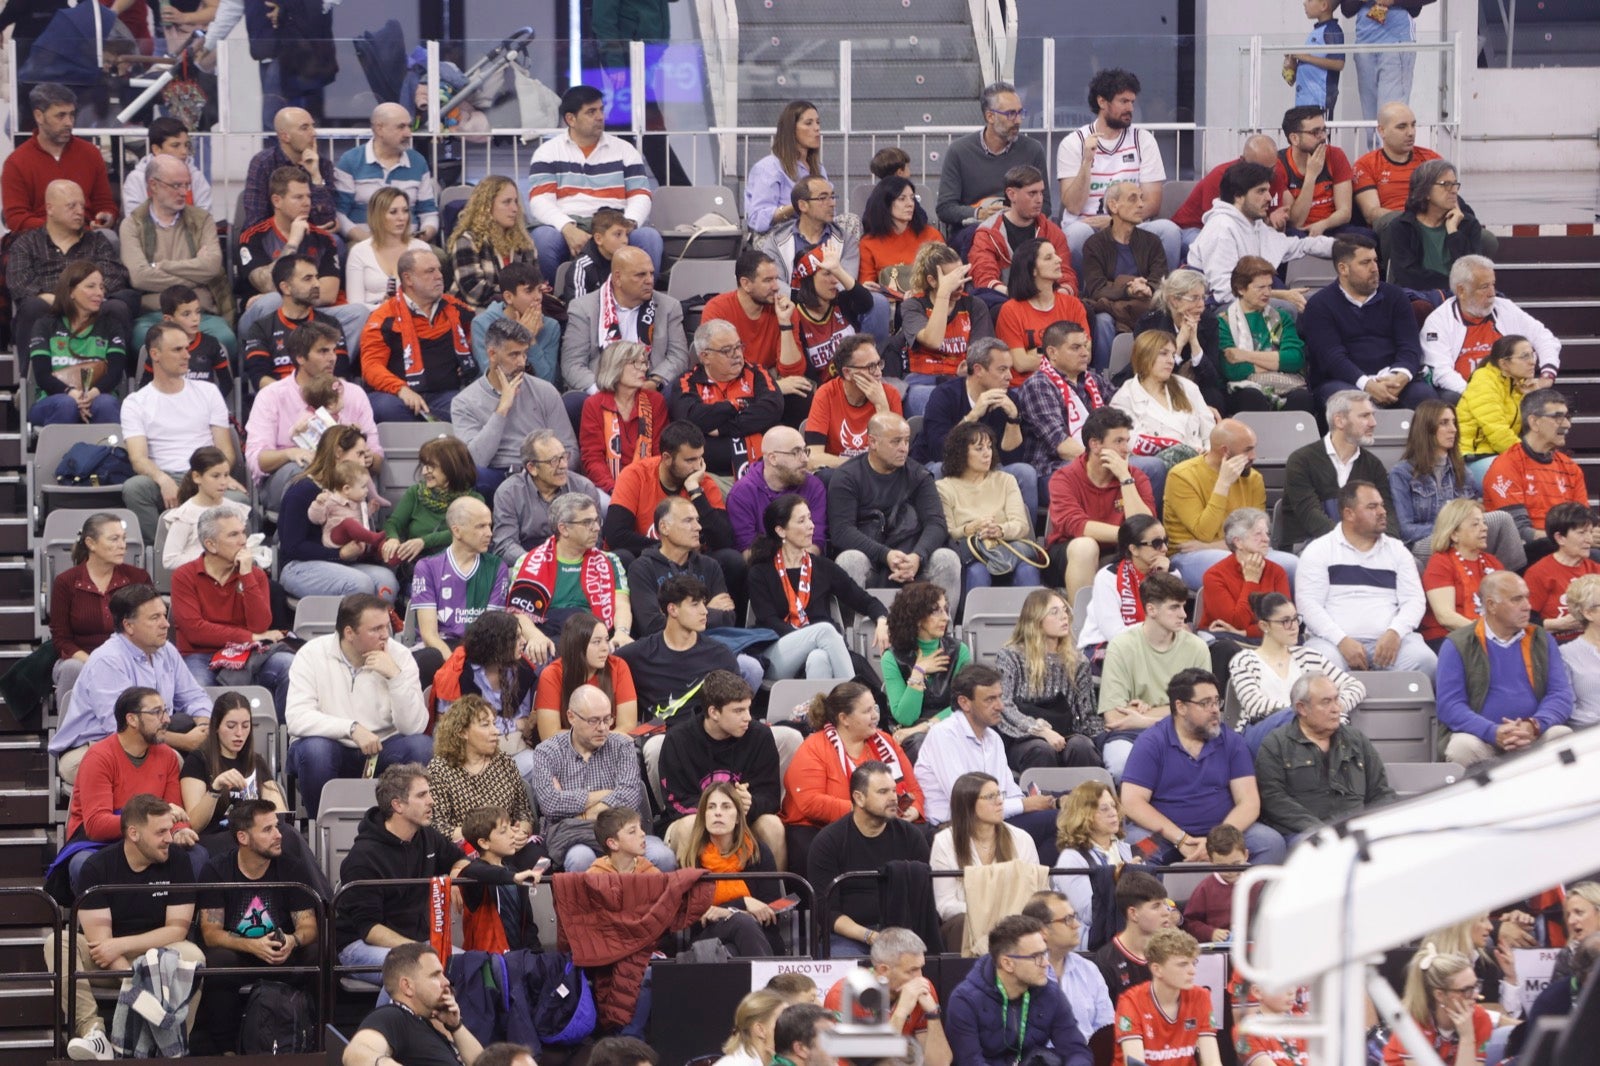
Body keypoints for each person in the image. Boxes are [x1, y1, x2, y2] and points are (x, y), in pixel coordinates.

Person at [46, 793, 204, 1062]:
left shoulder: (177, 860)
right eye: (161, 832)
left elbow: (176, 930)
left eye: (170, 829)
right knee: (57, 942)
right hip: (109, 963)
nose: (170, 837)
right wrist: (134, 975)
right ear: (134, 833)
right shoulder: (97, 867)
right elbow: (100, 947)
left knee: (194, 957)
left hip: (158, 957)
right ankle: (93, 1032)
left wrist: (123, 948)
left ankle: (173, 1046)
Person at [1119, 667, 1287, 864]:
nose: (1215, 709)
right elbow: (1132, 802)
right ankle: (1160, 896)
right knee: (1137, 849)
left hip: (1223, 834)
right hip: (1165, 837)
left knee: (1270, 843)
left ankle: (1236, 895)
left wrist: (1216, 842)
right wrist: (1181, 839)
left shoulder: (1232, 742)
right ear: (1181, 707)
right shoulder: (1151, 742)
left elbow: (1249, 802)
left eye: (1217, 701)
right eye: (1205, 703)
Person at [284, 594, 432, 817]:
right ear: (349, 633)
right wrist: (351, 728)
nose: (386, 635)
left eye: (387, 626)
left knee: (421, 746)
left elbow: (413, 727)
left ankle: (402, 826)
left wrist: (395, 678)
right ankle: (322, 827)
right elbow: (296, 717)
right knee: (315, 750)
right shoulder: (311, 654)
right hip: (331, 745)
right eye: (376, 629)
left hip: (382, 749)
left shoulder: (399, 656)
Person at [194, 798, 318, 1055]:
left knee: (317, 951)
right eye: (267, 830)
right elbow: (211, 932)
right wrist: (252, 945)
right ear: (243, 837)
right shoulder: (216, 870)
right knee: (217, 959)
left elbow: (308, 926)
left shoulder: (292, 867)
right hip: (240, 956)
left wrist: (293, 940)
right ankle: (225, 1050)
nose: (278, 835)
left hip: (280, 954)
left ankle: (312, 1043)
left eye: (277, 827)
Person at [52, 585, 214, 774]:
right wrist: (185, 742)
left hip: (148, 741)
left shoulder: (165, 650)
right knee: (174, 762)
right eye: (155, 618)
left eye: (164, 615)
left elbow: (194, 696)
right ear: (129, 626)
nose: (166, 624)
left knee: (214, 755)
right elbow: (125, 728)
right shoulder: (108, 660)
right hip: (92, 747)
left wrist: (204, 726)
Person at [915, 665, 1061, 858]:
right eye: (990, 699)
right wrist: (1026, 805)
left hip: (994, 821)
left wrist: (1041, 802)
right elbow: (967, 803)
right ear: (965, 702)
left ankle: (1031, 883)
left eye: (1000, 697)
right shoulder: (944, 735)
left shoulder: (993, 738)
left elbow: (1010, 792)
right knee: (1059, 822)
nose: (1000, 706)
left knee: (1069, 821)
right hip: (958, 828)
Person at [781, 684, 925, 876]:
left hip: (883, 824)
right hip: (820, 829)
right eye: (867, 711)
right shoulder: (814, 747)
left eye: (875, 708)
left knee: (921, 837)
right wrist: (864, 812)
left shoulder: (886, 741)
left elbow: (914, 789)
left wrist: (914, 809)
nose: (875, 715)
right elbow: (810, 802)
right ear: (844, 718)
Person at [528, 684, 675, 872]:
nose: (603, 728)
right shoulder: (547, 752)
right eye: (594, 721)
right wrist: (605, 795)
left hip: (624, 834)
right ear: (571, 717)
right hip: (575, 838)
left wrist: (581, 813)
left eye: (607, 719)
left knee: (663, 857)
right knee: (580, 859)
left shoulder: (622, 745)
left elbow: (629, 798)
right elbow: (550, 804)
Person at [119, 321, 243, 543]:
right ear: (155, 354)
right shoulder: (135, 402)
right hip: (163, 476)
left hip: (203, 474)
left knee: (237, 500)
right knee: (134, 488)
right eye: (178, 350)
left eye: (187, 348)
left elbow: (225, 449)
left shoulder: (209, 392)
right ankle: (163, 551)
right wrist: (162, 479)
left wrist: (219, 476)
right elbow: (138, 458)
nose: (187, 355)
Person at [1435, 571, 1575, 767]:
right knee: (1462, 747)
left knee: (1562, 735)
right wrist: (1493, 732)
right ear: (1491, 605)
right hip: (1481, 739)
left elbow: (1560, 694)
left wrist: (1533, 725)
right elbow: (1450, 706)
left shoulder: (1542, 639)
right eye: (1517, 599)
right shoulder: (1458, 643)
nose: (1527, 606)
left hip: (1534, 736)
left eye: (1527, 597)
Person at [1298, 480, 1437, 676]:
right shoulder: (1318, 550)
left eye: (1381, 505)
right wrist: (1342, 641)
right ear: (1349, 513)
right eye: (1372, 507)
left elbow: (1414, 601)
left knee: (1426, 662)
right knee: (1318, 665)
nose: (1382, 511)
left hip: (1391, 642)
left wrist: (1395, 633)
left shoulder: (1397, 550)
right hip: (1332, 644)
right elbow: (1309, 606)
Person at [827, 413, 960, 608]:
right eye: (896, 441)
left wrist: (918, 556)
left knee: (947, 559)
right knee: (849, 560)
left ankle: (942, 632)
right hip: (871, 559)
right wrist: (886, 555)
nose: (904, 448)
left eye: (906, 441)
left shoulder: (919, 475)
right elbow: (842, 531)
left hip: (912, 558)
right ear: (872, 442)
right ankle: (852, 635)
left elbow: (936, 523)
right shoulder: (847, 477)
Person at [1057, 68, 1181, 274]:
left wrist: (1116, 221)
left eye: (1132, 102)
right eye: (1123, 101)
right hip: (1088, 226)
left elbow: (1153, 203)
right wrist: (1087, 161)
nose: (1130, 108)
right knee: (1076, 235)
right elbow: (1073, 205)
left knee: (1170, 231)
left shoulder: (1143, 140)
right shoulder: (1073, 143)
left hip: (1132, 225)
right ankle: (1080, 300)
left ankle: (1161, 298)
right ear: (1102, 102)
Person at [748, 493, 885, 679]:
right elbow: (770, 621)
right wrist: (812, 637)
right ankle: (857, 694)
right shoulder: (760, 572)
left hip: (821, 649)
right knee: (825, 630)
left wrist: (883, 620)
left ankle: (817, 707)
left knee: (818, 657)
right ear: (781, 531)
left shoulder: (823, 567)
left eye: (810, 519)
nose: (811, 526)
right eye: (802, 521)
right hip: (778, 654)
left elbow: (864, 600)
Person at [528, 84, 662, 272]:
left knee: (649, 237)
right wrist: (566, 227)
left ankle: (640, 299)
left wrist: (626, 225)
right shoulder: (547, 153)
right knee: (543, 238)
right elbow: (540, 201)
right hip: (570, 223)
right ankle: (554, 300)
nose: (600, 116)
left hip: (617, 222)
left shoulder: (625, 150)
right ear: (570, 119)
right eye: (591, 112)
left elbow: (641, 195)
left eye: (601, 109)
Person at [235, 166, 367, 355]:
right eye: (298, 197)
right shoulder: (253, 236)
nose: (307, 203)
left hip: (310, 315)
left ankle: (328, 374)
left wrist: (288, 296)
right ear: (277, 201)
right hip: (263, 320)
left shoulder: (323, 238)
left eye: (308, 197)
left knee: (358, 313)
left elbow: (328, 293)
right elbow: (265, 283)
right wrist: (293, 242)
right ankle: (284, 376)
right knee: (271, 301)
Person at [807, 761, 932, 956]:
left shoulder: (911, 837)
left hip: (903, 934)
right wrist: (871, 936)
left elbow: (925, 896)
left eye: (893, 790)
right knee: (846, 963)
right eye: (883, 792)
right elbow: (827, 913)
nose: (893, 798)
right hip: (850, 938)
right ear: (859, 798)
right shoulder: (828, 842)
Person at [660, 670, 785, 860]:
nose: (748, 718)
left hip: (744, 820)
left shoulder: (760, 737)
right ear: (714, 712)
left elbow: (771, 796)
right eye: (738, 711)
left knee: (772, 825)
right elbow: (675, 803)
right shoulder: (678, 740)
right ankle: (692, 889)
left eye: (748, 709)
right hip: (695, 821)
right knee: (687, 826)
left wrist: (750, 803)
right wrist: (720, 808)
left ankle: (775, 890)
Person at [1097, 573, 1212, 777]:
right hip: (1130, 735)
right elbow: (1114, 718)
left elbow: (1202, 711)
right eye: (1174, 607)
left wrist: (1143, 718)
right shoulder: (1121, 646)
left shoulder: (1197, 647)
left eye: (1184, 606)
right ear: (1151, 609)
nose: (1184, 615)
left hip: (1184, 733)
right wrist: (1177, 710)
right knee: (1122, 763)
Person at [1255, 672, 1397, 838]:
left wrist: (1374, 825)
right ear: (1302, 708)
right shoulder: (1276, 744)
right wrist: (1319, 830)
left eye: (1336, 699)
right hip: (1304, 834)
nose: (1336, 709)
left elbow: (1381, 793)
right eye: (1326, 702)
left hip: (1356, 832)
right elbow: (1273, 799)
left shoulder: (1356, 740)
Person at [170, 507, 294, 697]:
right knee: (198, 688)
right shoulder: (184, 576)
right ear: (210, 544)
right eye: (233, 535)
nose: (243, 540)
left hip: (248, 653)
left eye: (243, 532)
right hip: (201, 655)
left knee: (288, 666)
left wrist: (246, 575)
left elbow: (260, 625)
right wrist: (251, 637)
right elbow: (195, 631)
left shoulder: (255, 575)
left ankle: (281, 727)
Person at [1301, 234, 1436, 407]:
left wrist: (1400, 376)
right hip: (1344, 381)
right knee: (1349, 403)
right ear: (1343, 269)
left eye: (1375, 260)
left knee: (1424, 396)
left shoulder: (1396, 297)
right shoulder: (1320, 305)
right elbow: (1332, 358)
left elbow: (1410, 347)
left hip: (1391, 378)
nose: (1374, 268)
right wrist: (1367, 384)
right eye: (1365, 263)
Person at [121, 154, 236, 355]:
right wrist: (194, 273)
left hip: (199, 314)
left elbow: (211, 267)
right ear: (153, 185)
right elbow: (139, 277)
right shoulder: (132, 225)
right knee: (142, 339)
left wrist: (161, 266)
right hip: (155, 314)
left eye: (187, 185)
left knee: (225, 339)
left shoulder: (202, 220)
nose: (184, 192)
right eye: (176, 186)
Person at [1389, 398, 1524, 569]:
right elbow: (1405, 530)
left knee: (1501, 520)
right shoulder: (1401, 473)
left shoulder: (1462, 471)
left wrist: (1463, 528)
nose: (1453, 429)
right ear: (1426, 429)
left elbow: (1478, 512)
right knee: (1493, 522)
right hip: (1426, 543)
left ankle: (1510, 584)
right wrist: (1453, 529)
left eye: (1453, 423)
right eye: (1444, 423)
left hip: (1462, 535)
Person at [945, 913, 1093, 1066]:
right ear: (1008, 964)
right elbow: (969, 1062)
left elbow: (1076, 1050)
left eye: (1045, 953)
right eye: (1036, 956)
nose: (1046, 963)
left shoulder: (1050, 993)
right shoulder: (965, 1001)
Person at [918, 336, 1039, 520]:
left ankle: (1023, 537)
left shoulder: (1009, 400)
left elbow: (1011, 458)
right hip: (948, 467)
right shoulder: (944, 395)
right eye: (1002, 369)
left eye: (1010, 369)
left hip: (987, 469)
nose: (1010, 376)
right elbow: (939, 451)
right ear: (978, 370)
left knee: (1025, 473)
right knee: (938, 469)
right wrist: (973, 415)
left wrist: (1014, 419)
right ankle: (941, 534)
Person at [504, 491, 631, 666]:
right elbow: (518, 611)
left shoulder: (609, 561)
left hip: (594, 633)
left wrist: (622, 632)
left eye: (596, 520)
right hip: (548, 634)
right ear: (563, 528)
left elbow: (621, 604)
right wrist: (534, 636)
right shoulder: (529, 562)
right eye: (587, 522)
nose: (596, 528)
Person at [452, 317, 577, 494]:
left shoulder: (545, 391)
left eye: (524, 353)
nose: (522, 362)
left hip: (543, 471)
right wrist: (502, 409)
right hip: (498, 474)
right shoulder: (464, 401)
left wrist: (546, 472)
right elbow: (475, 460)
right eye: (514, 355)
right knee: (475, 477)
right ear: (492, 354)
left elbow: (570, 448)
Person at [1229, 592, 1366, 753]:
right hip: (1261, 731)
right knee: (1297, 721)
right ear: (1264, 626)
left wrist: (1335, 707)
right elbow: (1255, 706)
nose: (1294, 627)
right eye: (1285, 621)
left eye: (1295, 619)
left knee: (1345, 732)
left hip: (1307, 731)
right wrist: (1308, 714)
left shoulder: (1308, 656)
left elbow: (1356, 686)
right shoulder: (1244, 660)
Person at [1163, 420, 1292, 590]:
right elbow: (1204, 533)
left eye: (1254, 447)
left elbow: (1257, 536)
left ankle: (1286, 616)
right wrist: (1223, 483)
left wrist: (1210, 546)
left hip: (1244, 550)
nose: (1254, 456)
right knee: (1233, 567)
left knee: (1293, 565)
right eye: (1247, 450)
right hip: (1190, 556)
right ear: (1224, 451)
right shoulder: (1182, 476)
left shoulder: (1253, 478)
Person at [277, 428, 400, 601]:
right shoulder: (301, 490)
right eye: (359, 454)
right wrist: (339, 554)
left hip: (341, 564)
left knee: (387, 581)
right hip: (299, 566)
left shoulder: (352, 489)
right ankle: (348, 628)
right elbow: (293, 546)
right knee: (361, 584)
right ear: (338, 453)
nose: (364, 461)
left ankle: (378, 627)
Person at [1187, 162, 1334, 307]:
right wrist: (1280, 295)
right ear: (1238, 196)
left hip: (1250, 300)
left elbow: (1299, 245)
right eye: (1261, 191)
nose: (1269, 198)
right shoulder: (1221, 228)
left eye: (1268, 191)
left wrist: (1343, 247)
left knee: (1314, 306)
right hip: (1218, 310)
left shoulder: (1256, 225)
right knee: (1288, 308)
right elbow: (1225, 293)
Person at [1048, 407, 1156, 603]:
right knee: (1085, 546)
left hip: (1119, 550)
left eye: (1126, 440)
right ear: (1095, 444)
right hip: (1069, 551)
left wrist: (1125, 479)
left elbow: (1145, 527)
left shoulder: (1136, 477)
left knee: (1147, 550)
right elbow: (1076, 526)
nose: (1126, 449)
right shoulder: (1064, 478)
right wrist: (1128, 536)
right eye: (1118, 441)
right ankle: (1083, 625)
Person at [9, 179, 131, 351]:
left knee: (117, 307)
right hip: (47, 308)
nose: (80, 212)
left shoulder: (97, 241)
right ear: (50, 208)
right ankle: (31, 375)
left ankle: (115, 374)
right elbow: (20, 284)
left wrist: (84, 300)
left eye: (82, 206)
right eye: (71, 206)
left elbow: (114, 276)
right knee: (31, 307)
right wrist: (64, 301)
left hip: (93, 308)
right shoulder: (27, 243)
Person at [359, 249, 478, 424]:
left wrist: (469, 358)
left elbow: (478, 331)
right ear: (408, 279)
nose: (439, 276)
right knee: (383, 408)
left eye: (439, 269)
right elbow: (371, 367)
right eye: (430, 271)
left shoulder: (455, 308)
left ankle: (432, 425)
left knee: (467, 408)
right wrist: (401, 389)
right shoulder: (383, 317)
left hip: (446, 396)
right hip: (398, 399)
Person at [935, 81, 1052, 255]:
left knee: (1050, 238)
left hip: (1021, 226)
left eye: (1020, 113)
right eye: (1011, 114)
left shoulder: (1032, 150)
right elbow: (945, 208)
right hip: (974, 228)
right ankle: (984, 283)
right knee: (979, 237)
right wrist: (979, 213)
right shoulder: (959, 151)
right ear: (990, 116)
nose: (1018, 120)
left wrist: (1015, 216)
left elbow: (1046, 205)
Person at [48, 513, 151, 711]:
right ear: (91, 543)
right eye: (114, 539)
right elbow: (61, 639)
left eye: (123, 538)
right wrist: (95, 662)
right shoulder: (66, 582)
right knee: (71, 668)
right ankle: (70, 737)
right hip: (81, 658)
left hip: (127, 657)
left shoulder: (138, 578)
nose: (122, 545)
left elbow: (148, 627)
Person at [670, 781, 785, 958]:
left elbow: (771, 915)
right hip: (708, 936)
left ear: (738, 817)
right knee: (742, 922)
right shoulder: (691, 859)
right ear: (704, 815)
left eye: (726, 807)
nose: (718, 812)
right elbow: (696, 920)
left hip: (758, 937)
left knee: (731, 952)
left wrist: (727, 911)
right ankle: (768, 982)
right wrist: (744, 905)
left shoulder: (758, 853)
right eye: (711, 807)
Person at [1420, 255, 1560, 400]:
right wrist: (1478, 394)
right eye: (1484, 287)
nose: (1492, 293)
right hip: (1466, 392)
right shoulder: (1438, 321)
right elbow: (1441, 371)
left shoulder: (1504, 307)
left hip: (1511, 389)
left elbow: (1545, 338)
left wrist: (1547, 376)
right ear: (1461, 291)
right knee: (1450, 398)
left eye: (1493, 284)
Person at [424, 696, 541, 862]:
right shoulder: (439, 769)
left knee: (537, 859)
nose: (496, 731)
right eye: (486, 725)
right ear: (462, 732)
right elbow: (438, 827)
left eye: (494, 723)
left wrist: (522, 831)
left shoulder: (504, 762)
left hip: (509, 846)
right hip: (466, 852)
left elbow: (523, 812)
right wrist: (490, 837)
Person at [996, 589, 1102, 771]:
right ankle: (1045, 800)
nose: (1064, 617)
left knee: (1082, 747)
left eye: (1065, 610)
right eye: (1054, 612)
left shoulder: (1078, 662)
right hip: (1023, 738)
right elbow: (1003, 705)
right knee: (1041, 750)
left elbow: (1085, 716)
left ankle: (1084, 799)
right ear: (1036, 620)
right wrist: (1042, 731)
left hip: (1067, 734)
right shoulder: (1010, 656)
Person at [560, 246, 689, 394]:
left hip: (650, 390)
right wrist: (601, 392)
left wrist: (654, 382)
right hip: (600, 392)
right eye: (640, 275)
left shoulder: (669, 307)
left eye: (651, 274)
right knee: (573, 401)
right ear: (618, 278)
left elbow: (678, 356)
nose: (650, 280)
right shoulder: (583, 308)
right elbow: (572, 364)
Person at [1109, 331, 1217, 507]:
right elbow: (1132, 443)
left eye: (1173, 354)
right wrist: (1182, 450)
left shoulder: (1187, 388)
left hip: (1202, 464)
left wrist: (1209, 451)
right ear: (1144, 356)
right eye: (1163, 353)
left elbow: (1210, 431)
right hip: (1160, 471)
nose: (1170, 360)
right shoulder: (1124, 398)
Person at [1281, 389, 1400, 548]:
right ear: (1340, 421)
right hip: (1310, 546)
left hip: (1364, 546)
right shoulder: (1301, 461)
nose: (1373, 423)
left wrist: (1384, 545)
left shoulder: (1374, 465)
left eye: (1372, 415)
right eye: (1364, 416)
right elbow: (1312, 518)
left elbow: (1388, 515)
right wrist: (1353, 545)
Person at [670, 319, 786, 482]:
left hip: (767, 470)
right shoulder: (687, 382)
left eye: (738, 346)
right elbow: (693, 418)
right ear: (705, 357)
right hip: (713, 477)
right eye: (727, 350)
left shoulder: (756, 372)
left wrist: (724, 428)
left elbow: (772, 408)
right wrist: (738, 405)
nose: (737, 354)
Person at [929, 772, 1042, 935]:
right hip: (968, 925)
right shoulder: (945, 842)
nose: (999, 802)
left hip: (1016, 925)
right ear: (968, 804)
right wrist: (988, 915)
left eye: (999, 794)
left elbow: (1037, 893)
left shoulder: (1022, 839)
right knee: (961, 924)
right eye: (990, 797)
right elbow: (945, 904)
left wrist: (1006, 917)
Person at [823, 928, 953, 1066]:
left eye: (921, 968)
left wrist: (933, 1014)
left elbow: (940, 1063)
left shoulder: (922, 987)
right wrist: (901, 1012)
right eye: (912, 970)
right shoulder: (845, 995)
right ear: (883, 970)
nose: (920, 977)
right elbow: (871, 1063)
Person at [936, 422, 1040, 592]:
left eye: (989, 447)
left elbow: (1021, 525)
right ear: (961, 453)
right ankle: (971, 619)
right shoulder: (943, 487)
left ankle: (1037, 618)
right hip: (973, 553)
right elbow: (948, 532)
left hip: (1007, 548)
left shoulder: (1006, 480)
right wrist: (972, 528)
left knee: (1027, 570)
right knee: (978, 572)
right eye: (979, 449)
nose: (987, 454)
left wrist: (999, 530)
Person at [342, 942, 484, 1066]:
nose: (446, 982)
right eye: (435, 975)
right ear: (407, 986)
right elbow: (356, 1054)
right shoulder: (392, 1016)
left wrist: (456, 1026)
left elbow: (484, 1063)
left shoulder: (427, 1024)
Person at [1483, 389, 1590, 551]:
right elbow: (1519, 532)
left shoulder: (1571, 468)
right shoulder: (1506, 465)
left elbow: (1584, 521)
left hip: (1565, 546)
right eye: (1558, 417)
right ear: (1534, 422)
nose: (1568, 425)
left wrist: (1590, 533)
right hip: (1526, 552)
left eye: (1567, 417)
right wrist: (1570, 540)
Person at [26, 262, 129, 428]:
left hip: (99, 396)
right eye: (91, 286)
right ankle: (57, 454)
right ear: (70, 291)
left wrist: (91, 395)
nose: (99, 293)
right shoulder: (45, 325)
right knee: (66, 405)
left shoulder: (111, 326)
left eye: (102, 287)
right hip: (53, 398)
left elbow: (115, 372)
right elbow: (42, 375)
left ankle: (110, 453)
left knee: (106, 404)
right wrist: (72, 395)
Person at [180, 693, 289, 847]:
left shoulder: (256, 761)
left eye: (245, 726)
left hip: (254, 835)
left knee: (289, 835)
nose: (239, 733)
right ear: (216, 727)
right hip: (217, 836)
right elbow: (195, 824)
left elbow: (279, 814)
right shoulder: (198, 761)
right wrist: (215, 788)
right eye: (231, 726)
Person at [3, 83, 115, 233]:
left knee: (108, 237)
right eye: (60, 115)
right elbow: (16, 218)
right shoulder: (16, 162)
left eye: (72, 115)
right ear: (39, 116)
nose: (69, 122)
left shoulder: (90, 153)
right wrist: (61, 230)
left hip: (86, 238)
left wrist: (106, 217)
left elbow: (105, 204)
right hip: (38, 241)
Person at [238, 254, 356, 397]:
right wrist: (294, 397)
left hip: (323, 401)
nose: (317, 284)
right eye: (308, 279)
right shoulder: (261, 328)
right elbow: (260, 378)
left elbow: (340, 373)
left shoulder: (330, 324)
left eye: (316, 277)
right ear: (286, 288)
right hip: (280, 402)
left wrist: (317, 399)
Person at [625, 495, 739, 639]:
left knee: (749, 662)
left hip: (712, 644)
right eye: (688, 521)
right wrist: (708, 609)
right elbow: (652, 626)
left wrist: (671, 615)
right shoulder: (642, 568)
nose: (698, 527)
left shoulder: (710, 566)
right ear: (664, 527)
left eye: (697, 520)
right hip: (666, 653)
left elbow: (728, 618)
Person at [1217, 255, 1319, 416]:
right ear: (1241, 289)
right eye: (1260, 288)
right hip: (1243, 388)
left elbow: (1294, 359)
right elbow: (1233, 370)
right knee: (1251, 396)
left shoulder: (1282, 317)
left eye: (1270, 287)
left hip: (1286, 385)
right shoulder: (1223, 322)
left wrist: (1245, 355)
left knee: (1302, 398)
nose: (1267, 293)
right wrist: (1276, 361)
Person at [968, 164, 1074, 314]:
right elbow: (984, 277)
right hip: (1007, 300)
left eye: (1041, 193)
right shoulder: (988, 234)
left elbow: (1066, 274)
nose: (1039, 200)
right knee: (994, 309)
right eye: (1032, 193)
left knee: (1084, 309)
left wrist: (1055, 297)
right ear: (1011, 194)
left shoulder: (1052, 232)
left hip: (1049, 301)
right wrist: (1022, 298)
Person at [882, 582, 971, 758]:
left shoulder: (959, 651)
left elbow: (964, 704)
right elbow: (905, 717)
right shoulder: (892, 658)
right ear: (917, 618)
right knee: (920, 744)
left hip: (952, 725)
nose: (946, 618)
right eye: (936, 611)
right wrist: (918, 672)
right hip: (912, 736)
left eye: (946, 610)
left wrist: (925, 727)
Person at [1081, 181, 1169, 354]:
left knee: (1160, 315)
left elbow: (1160, 279)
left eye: (1141, 198)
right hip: (1110, 307)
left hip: (1144, 303)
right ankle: (1103, 375)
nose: (1141, 204)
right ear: (1113, 206)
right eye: (1133, 199)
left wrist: (1148, 289)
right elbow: (1096, 288)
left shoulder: (1152, 242)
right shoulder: (1094, 244)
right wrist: (1128, 290)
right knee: (1103, 321)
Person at [1017, 321, 1111, 483]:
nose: (1085, 353)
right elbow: (1061, 445)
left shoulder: (1094, 380)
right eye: (1076, 348)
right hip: (1052, 469)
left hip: (1095, 458)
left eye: (1085, 346)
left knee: (1149, 467)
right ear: (1052, 353)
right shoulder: (1039, 385)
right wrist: (1106, 462)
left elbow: (1122, 412)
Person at [492, 429, 605, 564]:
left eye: (564, 457)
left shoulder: (583, 488)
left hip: (575, 561)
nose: (563, 465)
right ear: (532, 468)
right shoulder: (509, 493)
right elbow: (505, 545)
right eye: (554, 461)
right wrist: (538, 564)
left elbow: (594, 540)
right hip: (528, 563)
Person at [1111, 929, 1221, 1066]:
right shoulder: (1130, 1001)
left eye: (1193, 963)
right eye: (1183, 964)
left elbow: (1213, 1062)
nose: (1192, 971)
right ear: (1157, 969)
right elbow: (1135, 1064)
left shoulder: (1200, 996)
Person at [333, 103, 439, 243]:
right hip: (364, 243)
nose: (408, 133)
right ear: (379, 129)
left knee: (438, 258)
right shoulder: (350, 161)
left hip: (409, 244)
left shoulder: (418, 161)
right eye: (401, 127)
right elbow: (339, 214)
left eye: (409, 126)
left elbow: (429, 213)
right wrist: (368, 242)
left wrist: (422, 237)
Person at [1384, 159, 1491, 297]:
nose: (1454, 190)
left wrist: (1453, 232)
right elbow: (1407, 275)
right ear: (1425, 191)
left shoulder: (1468, 225)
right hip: (1418, 296)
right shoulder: (1402, 227)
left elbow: (1473, 272)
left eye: (1455, 184)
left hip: (1462, 296)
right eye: (1446, 184)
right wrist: (1452, 285)